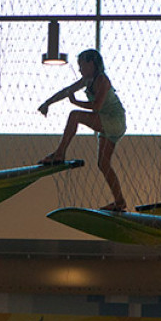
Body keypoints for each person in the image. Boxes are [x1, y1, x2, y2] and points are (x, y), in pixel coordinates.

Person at [37, 48, 127, 212]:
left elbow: (96, 107)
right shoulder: (87, 80)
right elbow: (66, 91)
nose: (79, 69)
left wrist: (75, 102)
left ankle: (60, 153)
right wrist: (47, 103)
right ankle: (120, 202)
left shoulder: (101, 80)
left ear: (92, 64)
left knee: (75, 116)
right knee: (103, 163)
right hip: (109, 123)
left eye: (82, 65)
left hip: (113, 120)